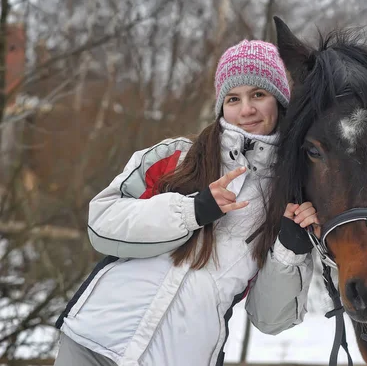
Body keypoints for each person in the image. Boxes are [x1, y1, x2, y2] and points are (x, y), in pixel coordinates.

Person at [53, 40, 318, 366]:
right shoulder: (174, 157)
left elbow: (270, 319)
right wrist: (193, 210)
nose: (246, 109)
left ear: (279, 101)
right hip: (92, 342)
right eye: (233, 98)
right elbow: (102, 224)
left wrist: (290, 249)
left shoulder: (286, 197)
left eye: (258, 95)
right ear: (221, 105)